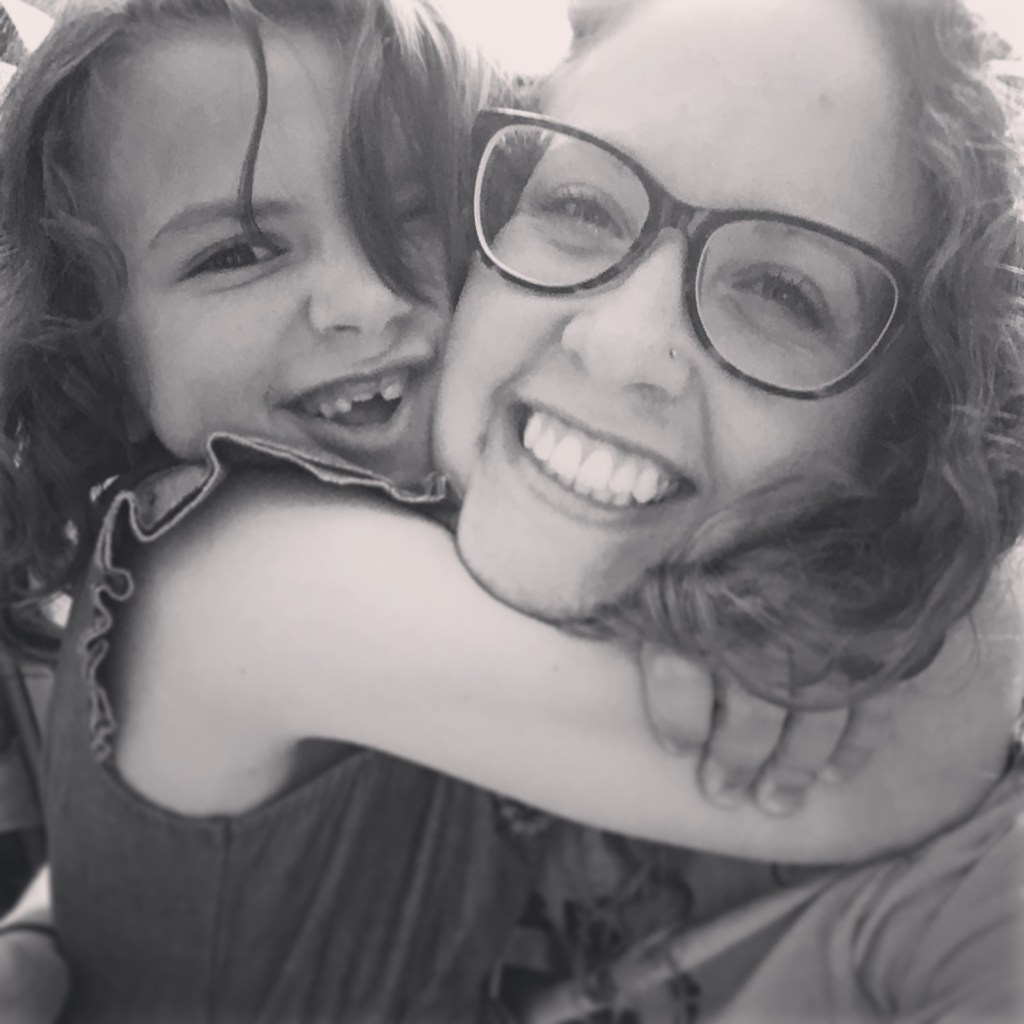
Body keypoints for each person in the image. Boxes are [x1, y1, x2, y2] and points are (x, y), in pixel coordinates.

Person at [0, 0, 1020, 1020]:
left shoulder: (456, 522)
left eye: (407, 214)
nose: (364, 299)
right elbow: (891, 768)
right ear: (93, 347)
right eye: (236, 253)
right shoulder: (235, 571)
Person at [432, 0, 1024, 1018]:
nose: (620, 346)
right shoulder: (284, 510)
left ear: (906, 439)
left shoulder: (971, 883)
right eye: (579, 205)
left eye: (782, 294)